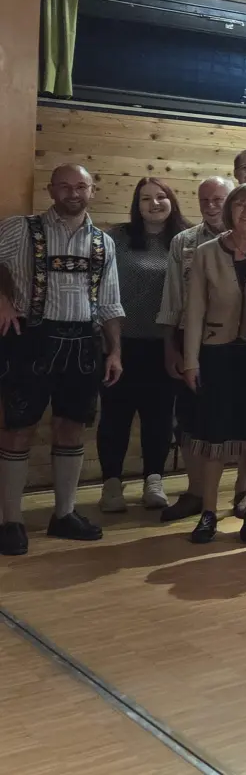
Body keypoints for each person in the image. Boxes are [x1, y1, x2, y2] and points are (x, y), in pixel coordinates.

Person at [0, 164, 125, 555]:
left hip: (84, 344)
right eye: (65, 186)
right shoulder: (20, 228)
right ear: (51, 190)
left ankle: (64, 514)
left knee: (72, 428)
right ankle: (10, 520)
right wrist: (2, 300)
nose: (74, 193)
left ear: (93, 189)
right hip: (29, 340)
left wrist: (115, 350)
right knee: (16, 428)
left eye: (81, 186)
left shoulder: (104, 242)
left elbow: (109, 303)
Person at [179, 183, 246, 543]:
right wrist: (190, 361)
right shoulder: (206, 252)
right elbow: (193, 310)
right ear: (228, 210)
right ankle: (208, 512)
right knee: (214, 439)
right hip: (216, 354)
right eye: (239, 205)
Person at [98, 177, 187, 513]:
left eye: (161, 197)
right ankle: (111, 484)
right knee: (115, 417)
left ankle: (154, 480)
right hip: (119, 344)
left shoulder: (184, 240)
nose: (154, 204)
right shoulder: (115, 238)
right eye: (145, 199)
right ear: (136, 206)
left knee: (160, 418)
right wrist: (111, 345)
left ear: (172, 201)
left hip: (164, 346)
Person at [155, 175, 234, 521]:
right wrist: (171, 347)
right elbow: (172, 298)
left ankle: (242, 496)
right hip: (190, 339)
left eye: (219, 199)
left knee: (238, 420)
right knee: (188, 420)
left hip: (238, 343)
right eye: (205, 200)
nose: (212, 206)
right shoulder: (183, 242)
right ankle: (195, 491)